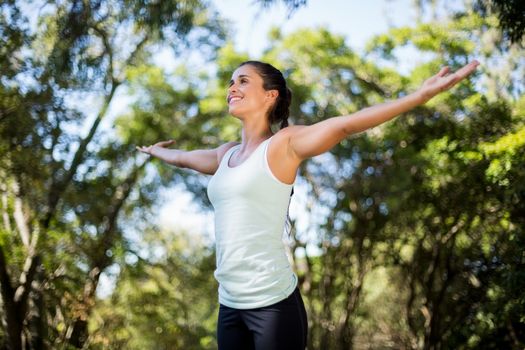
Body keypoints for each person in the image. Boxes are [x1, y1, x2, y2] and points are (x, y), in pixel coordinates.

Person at [136, 59, 479, 349]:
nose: (232, 87)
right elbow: (182, 158)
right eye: (230, 82)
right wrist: (155, 151)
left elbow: (345, 125)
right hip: (230, 303)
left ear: (270, 95)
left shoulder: (284, 144)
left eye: (243, 81)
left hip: (272, 305)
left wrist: (419, 96)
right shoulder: (225, 154)